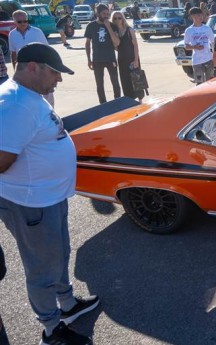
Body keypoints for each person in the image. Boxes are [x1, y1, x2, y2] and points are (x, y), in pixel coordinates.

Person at [0, 43, 100, 345]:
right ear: (33, 67)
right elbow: (2, 161)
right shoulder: (14, 104)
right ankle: (51, 330)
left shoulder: (30, 97)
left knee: (58, 255)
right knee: (42, 268)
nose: (59, 79)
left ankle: (67, 305)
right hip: (31, 204)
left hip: (48, 199)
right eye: (55, 72)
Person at [112, 11, 144, 101]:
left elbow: (135, 45)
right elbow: (116, 47)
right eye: (115, 18)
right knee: (125, 80)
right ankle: (130, 99)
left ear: (123, 18)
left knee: (136, 79)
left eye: (119, 18)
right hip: (122, 59)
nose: (117, 20)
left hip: (132, 58)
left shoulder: (129, 30)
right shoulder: (115, 32)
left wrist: (136, 60)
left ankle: (140, 100)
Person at [184, 7, 216, 84]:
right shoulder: (189, 30)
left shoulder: (207, 28)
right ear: (192, 17)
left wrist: (214, 57)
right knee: (199, 83)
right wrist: (194, 47)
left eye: (201, 15)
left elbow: (213, 43)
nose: (201, 17)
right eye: (198, 15)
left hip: (208, 59)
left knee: (211, 82)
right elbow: (186, 46)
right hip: (197, 61)